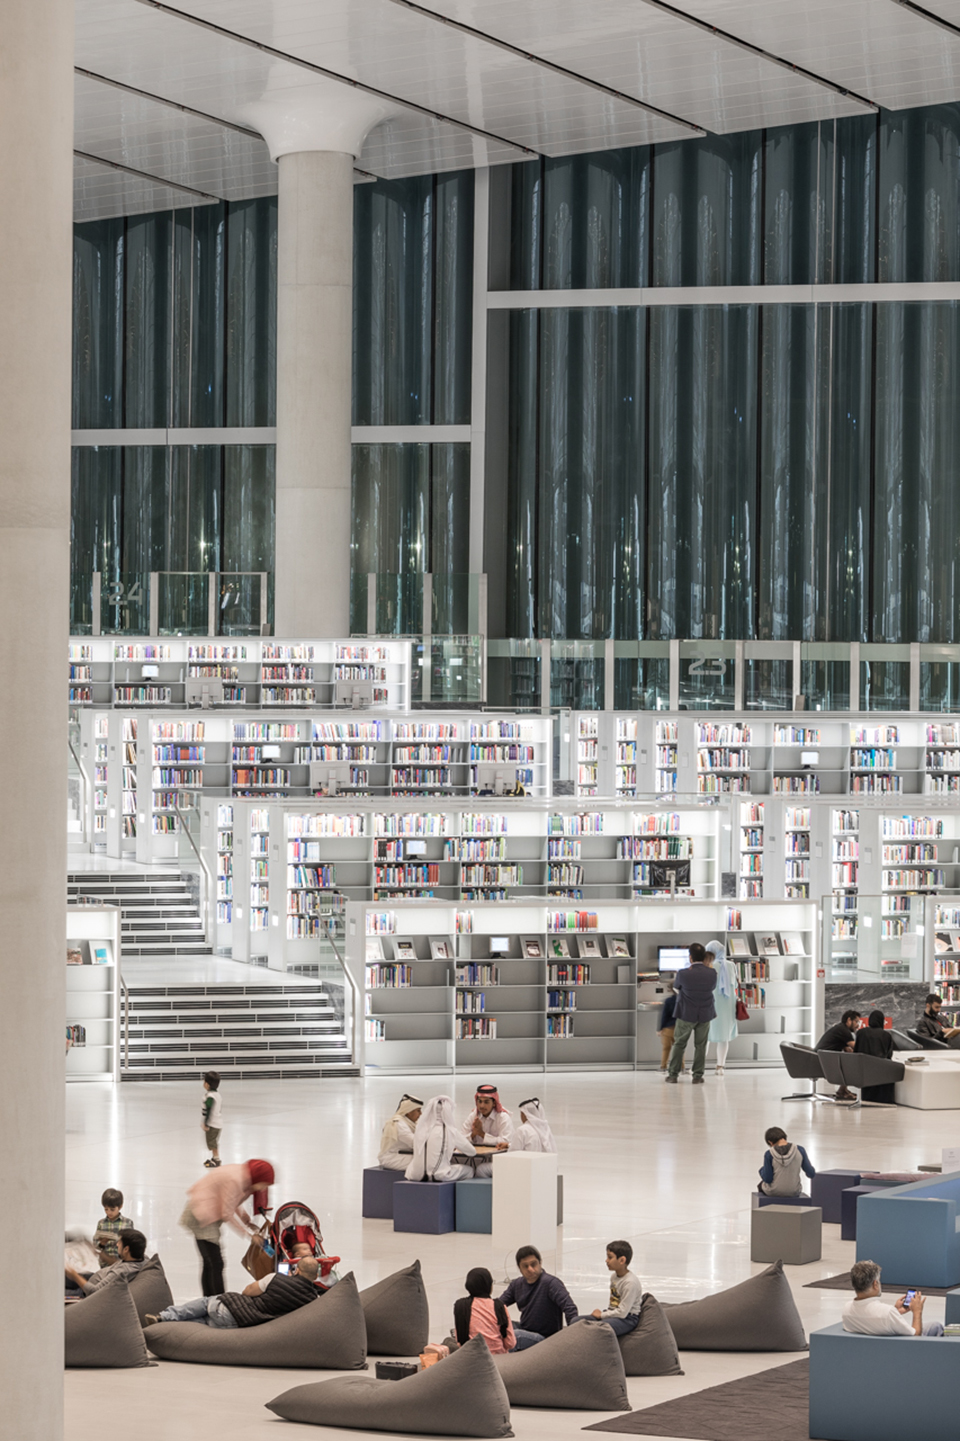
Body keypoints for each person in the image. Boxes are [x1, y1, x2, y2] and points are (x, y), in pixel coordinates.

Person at [180, 1158, 274, 1296]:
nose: (263, 1188)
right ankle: (218, 1302)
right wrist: (249, 1235)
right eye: (264, 1184)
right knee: (215, 1263)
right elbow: (226, 1213)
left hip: (205, 1210)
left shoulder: (245, 1176)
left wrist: (245, 1219)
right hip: (201, 1214)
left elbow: (230, 1198)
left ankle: (208, 1299)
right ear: (258, 1177)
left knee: (210, 1263)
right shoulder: (236, 1180)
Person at [146, 1257, 321, 1329]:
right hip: (241, 1325)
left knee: (208, 1303)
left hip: (231, 1310)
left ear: (297, 1270)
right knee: (204, 1322)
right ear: (316, 1276)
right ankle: (165, 1326)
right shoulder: (313, 1300)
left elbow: (247, 1292)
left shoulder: (275, 1278)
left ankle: (164, 1317)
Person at [841, 1259, 943, 1337]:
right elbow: (915, 1336)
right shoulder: (887, 1313)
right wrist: (917, 1312)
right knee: (936, 1326)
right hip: (900, 1351)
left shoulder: (846, 1309)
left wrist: (896, 1312)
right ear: (875, 1284)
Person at [453, 1266, 541, 1352]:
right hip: (498, 1359)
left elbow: (460, 1340)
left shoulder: (460, 1306)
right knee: (524, 1336)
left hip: (470, 1357)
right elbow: (510, 1343)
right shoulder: (498, 1306)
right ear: (489, 1286)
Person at [498, 1246, 577, 1339]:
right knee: (499, 1326)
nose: (530, 1269)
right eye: (525, 1266)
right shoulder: (516, 1285)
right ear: (519, 1268)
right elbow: (498, 1305)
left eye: (533, 1264)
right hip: (525, 1330)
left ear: (540, 1263)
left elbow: (570, 1308)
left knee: (513, 1336)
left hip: (545, 1338)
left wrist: (573, 1337)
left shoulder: (551, 1283)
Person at [665, 943, 717, 1085]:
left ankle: (673, 1075)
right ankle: (698, 1076)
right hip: (705, 1013)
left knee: (679, 1044)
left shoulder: (683, 973)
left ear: (690, 957)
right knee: (701, 1045)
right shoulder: (712, 973)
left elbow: (676, 989)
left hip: (686, 1013)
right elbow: (711, 988)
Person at [406, 1096, 478, 1183]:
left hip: (415, 1175)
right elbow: (472, 1152)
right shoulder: (450, 1130)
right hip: (439, 1175)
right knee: (470, 1170)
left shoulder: (420, 1129)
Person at [576, 1241, 642, 1336]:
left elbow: (623, 1312)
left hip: (627, 1319)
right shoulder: (614, 1277)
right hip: (612, 1313)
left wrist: (601, 1315)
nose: (606, 1260)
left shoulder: (630, 1283)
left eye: (610, 1257)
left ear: (622, 1260)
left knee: (599, 1329)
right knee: (576, 1321)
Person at [65, 1228, 147, 1295]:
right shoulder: (140, 1259)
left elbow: (94, 1292)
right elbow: (117, 1263)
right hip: (95, 1278)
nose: (117, 1244)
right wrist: (99, 1251)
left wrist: (74, 1275)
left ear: (126, 1249)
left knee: (57, 1292)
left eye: (120, 1243)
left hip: (85, 1291)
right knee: (62, 1276)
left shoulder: (121, 1272)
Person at [706, 939, 738, 1074]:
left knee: (705, 1036)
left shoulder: (710, 965)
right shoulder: (731, 965)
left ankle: (699, 1066)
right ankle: (720, 1067)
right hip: (728, 1005)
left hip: (711, 1003)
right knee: (724, 1036)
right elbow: (735, 985)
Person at [815, 1009, 861, 1102]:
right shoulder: (843, 1031)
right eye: (856, 1022)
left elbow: (848, 1050)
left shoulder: (840, 1028)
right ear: (849, 1020)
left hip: (821, 1057)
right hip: (821, 1060)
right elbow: (855, 1047)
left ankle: (843, 1090)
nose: (858, 1025)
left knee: (848, 1062)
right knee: (849, 1065)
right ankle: (842, 1091)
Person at [854, 1010, 898, 1103]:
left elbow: (856, 1052)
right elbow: (889, 1055)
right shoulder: (886, 1035)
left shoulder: (860, 1033)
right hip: (880, 1071)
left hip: (864, 1071)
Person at [758, 1127, 816, 1197]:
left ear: (770, 1142)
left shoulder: (769, 1154)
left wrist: (761, 1171)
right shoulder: (800, 1150)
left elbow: (768, 1179)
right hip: (794, 1191)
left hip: (773, 1191)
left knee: (760, 1185)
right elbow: (811, 1173)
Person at [378, 1093, 423, 1171]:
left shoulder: (410, 1123)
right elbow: (416, 1143)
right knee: (427, 1164)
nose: (420, 1114)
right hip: (393, 1158)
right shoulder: (398, 1124)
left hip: (404, 1154)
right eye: (418, 1111)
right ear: (409, 1111)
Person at [93, 1187, 132, 1267]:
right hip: (105, 1265)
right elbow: (96, 1246)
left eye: (112, 1209)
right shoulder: (101, 1223)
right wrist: (102, 1243)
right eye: (106, 1209)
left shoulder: (127, 1223)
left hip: (122, 1265)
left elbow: (132, 1245)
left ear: (120, 1207)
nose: (109, 1212)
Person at [656, 984, 683, 1072]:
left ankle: (663, 1067)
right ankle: (681, 1067)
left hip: (668, 1028)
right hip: (680, 1028)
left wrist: (660, 1029)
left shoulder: (668, 1001)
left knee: (666, 1048)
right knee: (679, 1049)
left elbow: (664, 1016)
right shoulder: (684, 1000)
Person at [202, 1071, 223, 1168]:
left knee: (212, 1143)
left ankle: (216, 1159)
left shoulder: (210, 1097)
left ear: (207, 1084)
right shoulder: (217, 1095)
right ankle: (214, 1158)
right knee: (213, 1142)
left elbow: (209, 1110)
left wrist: (206, 1123)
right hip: (218, 1123)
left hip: (213, 1124)